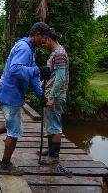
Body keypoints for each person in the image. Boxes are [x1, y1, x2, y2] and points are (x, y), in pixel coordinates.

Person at [0, 22, 51, 176]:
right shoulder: (24, 48)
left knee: (12, 123)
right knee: (14, 131)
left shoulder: (30, 49)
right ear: (36, 34)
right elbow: (16, 70)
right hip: (10, 95)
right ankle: (5, 165)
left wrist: (40, 94)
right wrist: (38, 69)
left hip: (9, 94)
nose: (45, 41)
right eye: (43, 37)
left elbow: (33, 75)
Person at [39, 28, 69, 165]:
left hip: (55, 96)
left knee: (55, 125)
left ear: (48, 38)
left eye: (43, 40)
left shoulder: (60, 54)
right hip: (50, 93)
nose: (41, 43)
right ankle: (50, 150)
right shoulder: (55, 53)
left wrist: (51, 97)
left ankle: (54, 156)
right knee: (50, 123)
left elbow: (60, 78)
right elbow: (51, 75)